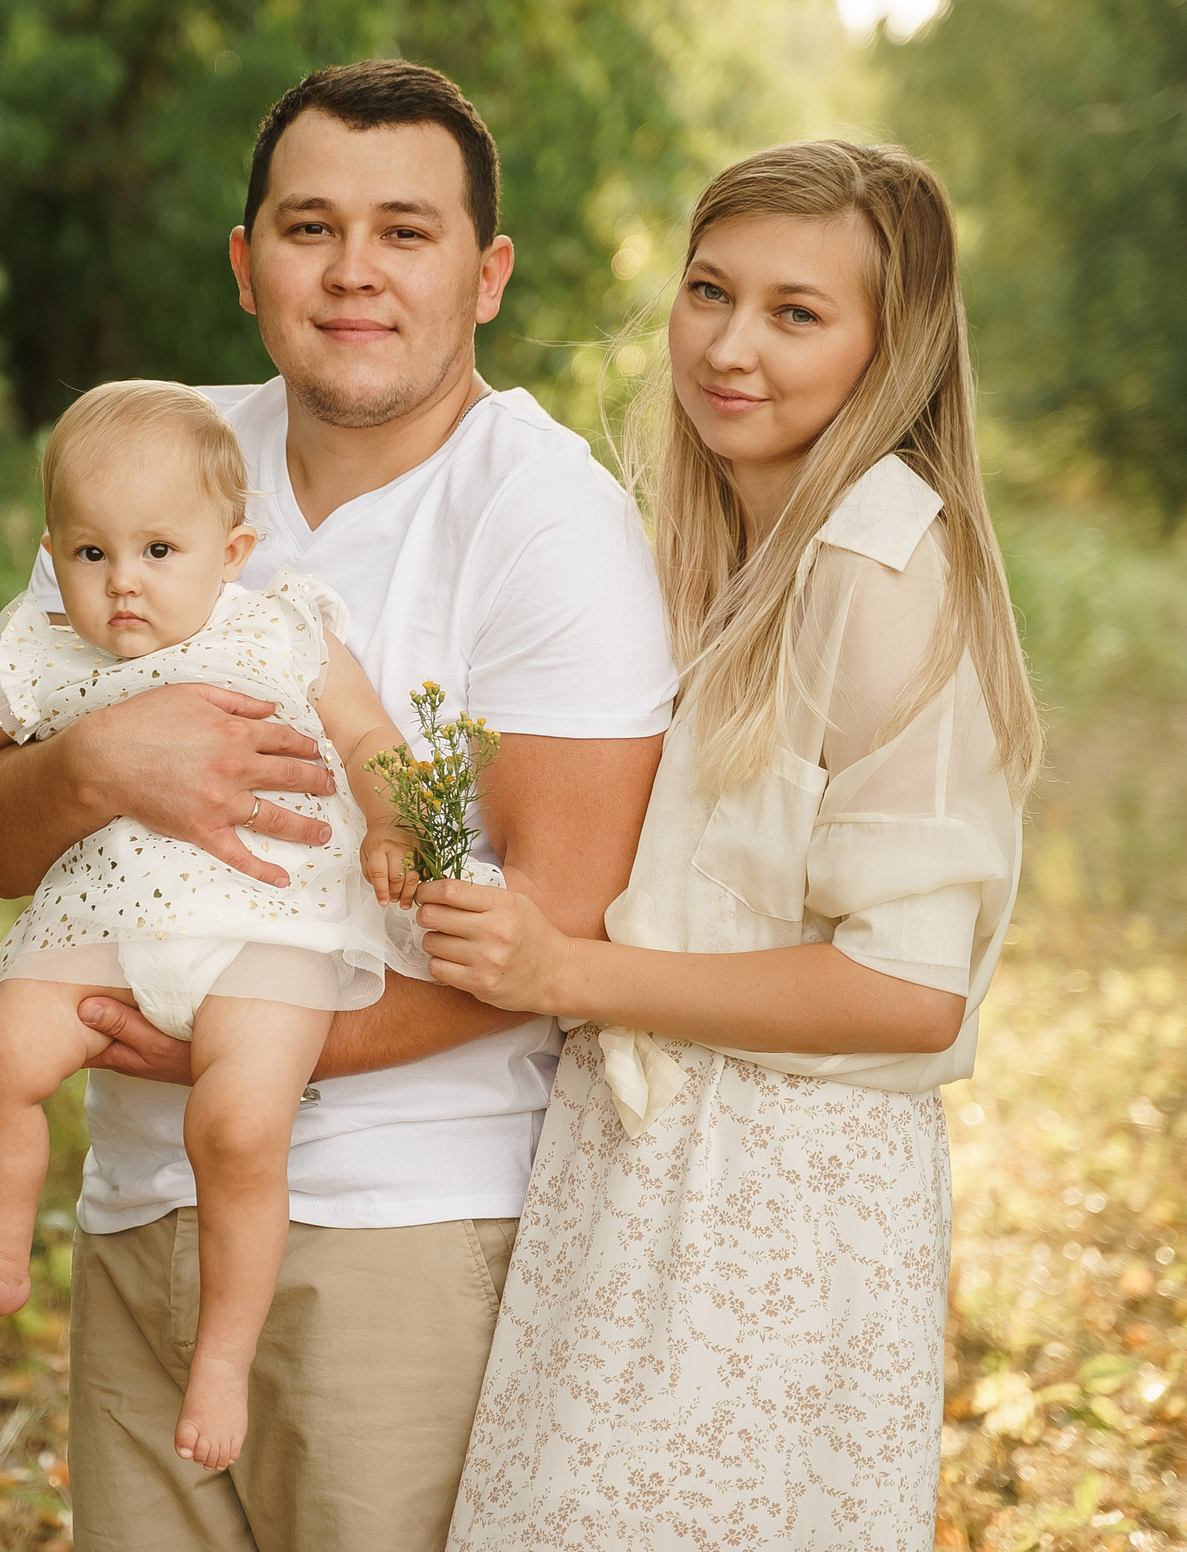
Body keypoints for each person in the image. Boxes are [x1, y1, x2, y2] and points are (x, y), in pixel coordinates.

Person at [0, 61, 677, 1549]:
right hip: (136, 1208)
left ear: (486, 275)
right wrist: (97, 764)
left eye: (406, 232)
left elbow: (562, 916)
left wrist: (246, 1059)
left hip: (400, 1226)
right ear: (244, 263)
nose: (354, 272)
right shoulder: (148, 468)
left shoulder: (548, 519)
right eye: (309, 226)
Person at [417, 141, 1044, 1550]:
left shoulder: (883, 577)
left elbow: (910, 990)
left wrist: (569, 971)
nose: (729, 345)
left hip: (779, 1204)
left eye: (796, 312)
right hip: (635, 1173)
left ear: (896, 347)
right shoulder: (708, 557)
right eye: (710, 290)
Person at [0, 379, 419, 1471]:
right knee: (0, 1053)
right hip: (114, 909)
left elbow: (372, 739)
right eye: (92, 555)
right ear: (53, 554)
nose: (123, 587)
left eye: (159, 551)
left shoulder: (278, 632)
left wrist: (388, 824)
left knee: (238, 1123)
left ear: (230, 547)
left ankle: (220, 1359)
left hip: (270, 919)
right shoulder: (50, 651)